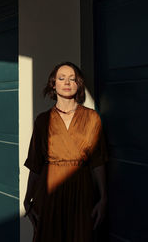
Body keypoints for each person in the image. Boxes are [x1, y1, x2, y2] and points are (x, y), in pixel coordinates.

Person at [24, 62, 108, 242]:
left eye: (72, 79)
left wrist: (103, 198)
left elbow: (98, 161)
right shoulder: (43, 120)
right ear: (53, 84)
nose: (67, 82)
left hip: (82, 191)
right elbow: (35, 163)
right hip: (49, 191)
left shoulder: (91, 117)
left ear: (79, 84)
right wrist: (27, 199)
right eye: (61, 78)